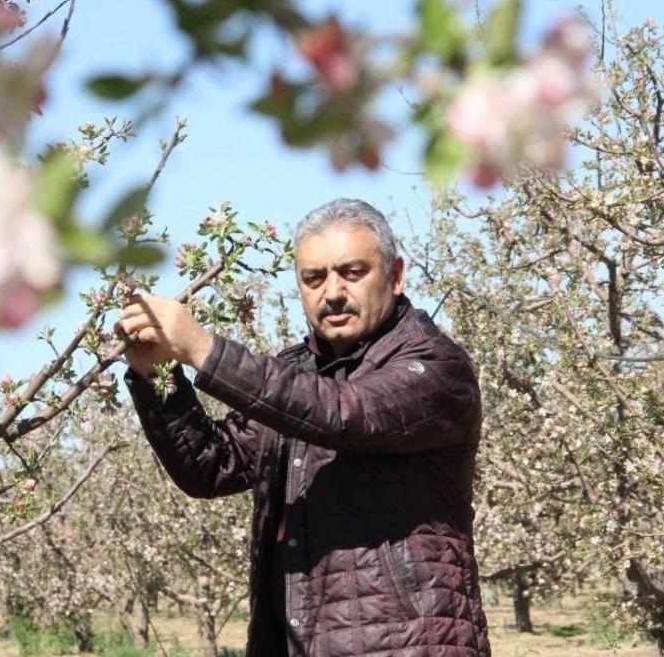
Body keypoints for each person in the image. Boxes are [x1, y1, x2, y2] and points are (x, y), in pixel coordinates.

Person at [118, 199, 490, 657]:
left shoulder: (434, 366)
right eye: (314, 278)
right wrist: (158, 378)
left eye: (352, 272)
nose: (332, 292)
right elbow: (211, 466)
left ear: (395, 275)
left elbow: (344, 413)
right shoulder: (293, 373)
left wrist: (203, 350)